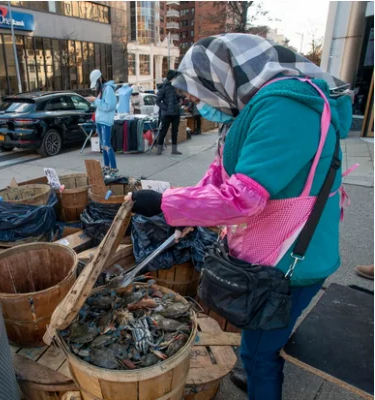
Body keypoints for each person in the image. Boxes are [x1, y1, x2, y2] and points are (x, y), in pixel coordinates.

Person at [126, 34, 352, 400]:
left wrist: (165, 203)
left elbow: (243, 197)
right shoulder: (253, 107)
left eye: (200, 92)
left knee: (259, 356)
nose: (199, 104)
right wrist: (186, 213)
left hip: (290, 262)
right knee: (260, 345)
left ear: (223, 76)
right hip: (278, 253)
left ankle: (262, 378)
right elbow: (220, 175)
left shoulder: (286, 108)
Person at [88, 69, 118, 175]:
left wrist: (95, 100)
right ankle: (107, 166)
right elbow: (102, 105)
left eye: (96, 83)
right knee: (103, 146)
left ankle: (113, 168)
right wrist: (93, 101)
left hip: (105, 121)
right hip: (101, 120)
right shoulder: (103, 89)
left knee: (106, 145)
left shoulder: (108, 89)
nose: (95, 86)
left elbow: (108, 106)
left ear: (100, 79)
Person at [156, 70, 182, 155]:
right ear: (172, 78)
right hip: (166, 114)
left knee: (175, 132)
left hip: (176, 112)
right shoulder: (163, 87)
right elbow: (158, 101)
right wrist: (165, 108)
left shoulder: (176, 86)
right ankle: (159, 149)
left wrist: (180, 102)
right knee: (163, 131)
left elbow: (179, 97)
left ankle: (174, 149)